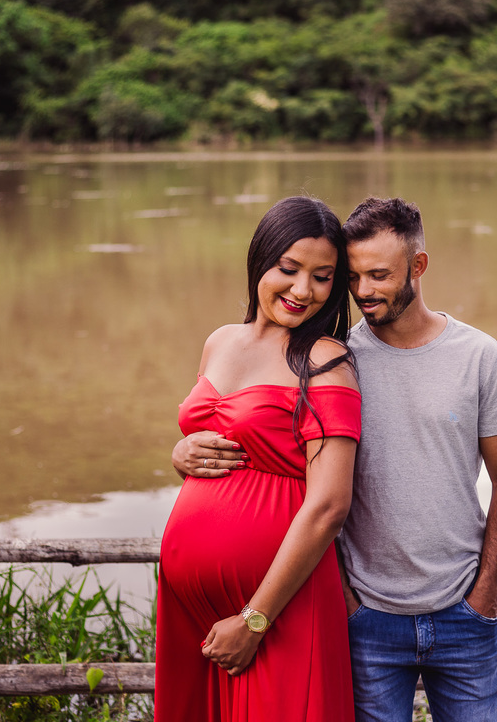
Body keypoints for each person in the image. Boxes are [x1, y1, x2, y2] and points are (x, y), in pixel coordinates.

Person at [175, 197, 497, 722]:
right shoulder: (333, 356)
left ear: (418, 266)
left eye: (379, 275)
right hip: (366, 620)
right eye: (353, 277)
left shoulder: (479, 356)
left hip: (462, 613)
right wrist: (184, 450)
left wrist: (484, 596)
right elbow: (268, 445)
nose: (363, 290)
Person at [155, 195, 361, 722]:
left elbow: (330, 506)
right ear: (260, 260)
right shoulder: (220, 341)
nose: (303, 290)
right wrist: (181, 454)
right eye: (289, 269)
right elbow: (222, 445)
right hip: (193, 608)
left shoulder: (325, 360)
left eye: (322, 277)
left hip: (278, 607)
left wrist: (255, 620)